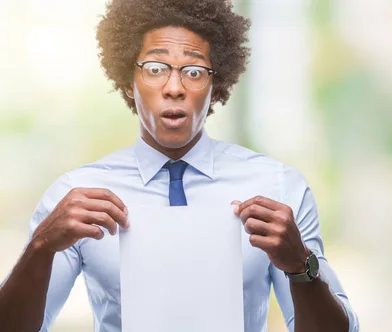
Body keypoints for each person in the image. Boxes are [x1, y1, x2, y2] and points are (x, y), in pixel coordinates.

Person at [0, 0, 359, 331]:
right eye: (155, 68)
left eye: (194, 71)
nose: (174, 87)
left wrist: (301, 265)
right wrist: (41, 246)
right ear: (129, 81)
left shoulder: (278, 187)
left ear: (216, 87)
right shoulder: (75, 197)